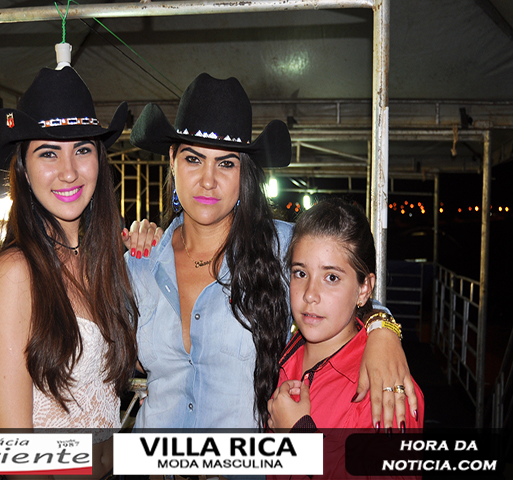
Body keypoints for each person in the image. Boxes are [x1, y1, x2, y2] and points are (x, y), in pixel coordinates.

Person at [127, 73, 417, 431]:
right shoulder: (139, 265)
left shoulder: (282, 247)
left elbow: (347, 285)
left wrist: (382, 331)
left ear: (244, 173)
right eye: (193, 159)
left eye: (226, 163)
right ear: (172, 159)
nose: (208, 180)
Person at [0, 66, 157, 478]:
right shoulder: (17, 272)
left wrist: (155, 262)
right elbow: (13, 450)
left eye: (82, 150)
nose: (69, 171)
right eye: (49, 153)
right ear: (23, 167)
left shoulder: (101, 266)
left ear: (99, 160)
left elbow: (145, 364)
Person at [267, 198, 424, 478]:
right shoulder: (283, 352)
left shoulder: (385, 387)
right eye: (300, 273)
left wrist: (300, 437)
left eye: (331, 278)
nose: (310, 294)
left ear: (364, 289)